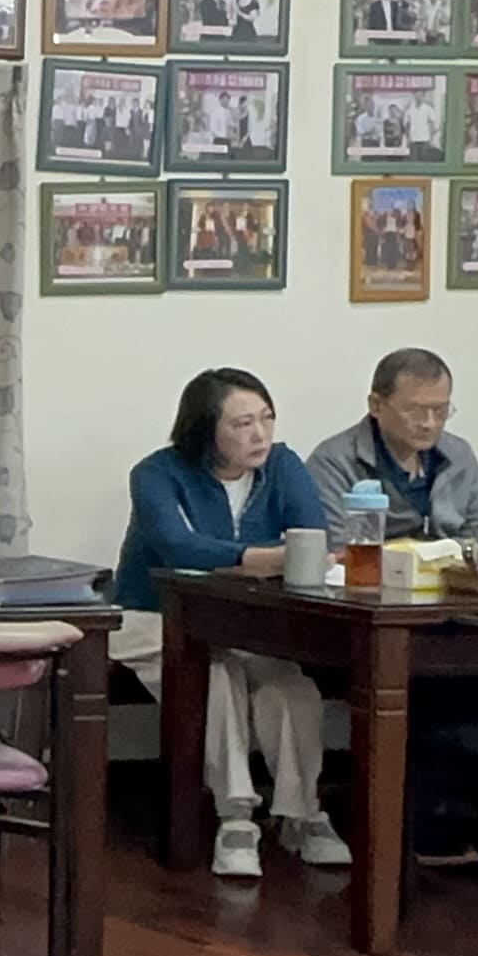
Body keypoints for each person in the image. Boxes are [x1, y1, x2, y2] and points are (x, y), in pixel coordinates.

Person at [113, 369, 344, 880]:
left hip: (246, 623)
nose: (259, 434)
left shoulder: (282, 465)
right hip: (153, 616)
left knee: (290, 686)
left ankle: (302, 813)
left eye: (266, 419)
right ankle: (235, 815)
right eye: (242, 424)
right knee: (215, 676)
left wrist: (260, 558)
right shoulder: (156, 473)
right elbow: (178, 548)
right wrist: (261, 558)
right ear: (205, 430)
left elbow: (312, 538)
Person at [306, 348, 478, 542]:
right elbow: (336, 547)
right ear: (376, 405)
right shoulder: (334, 463)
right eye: (415, 411)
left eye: (440, 411)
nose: (429, 424)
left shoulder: (459, 455)